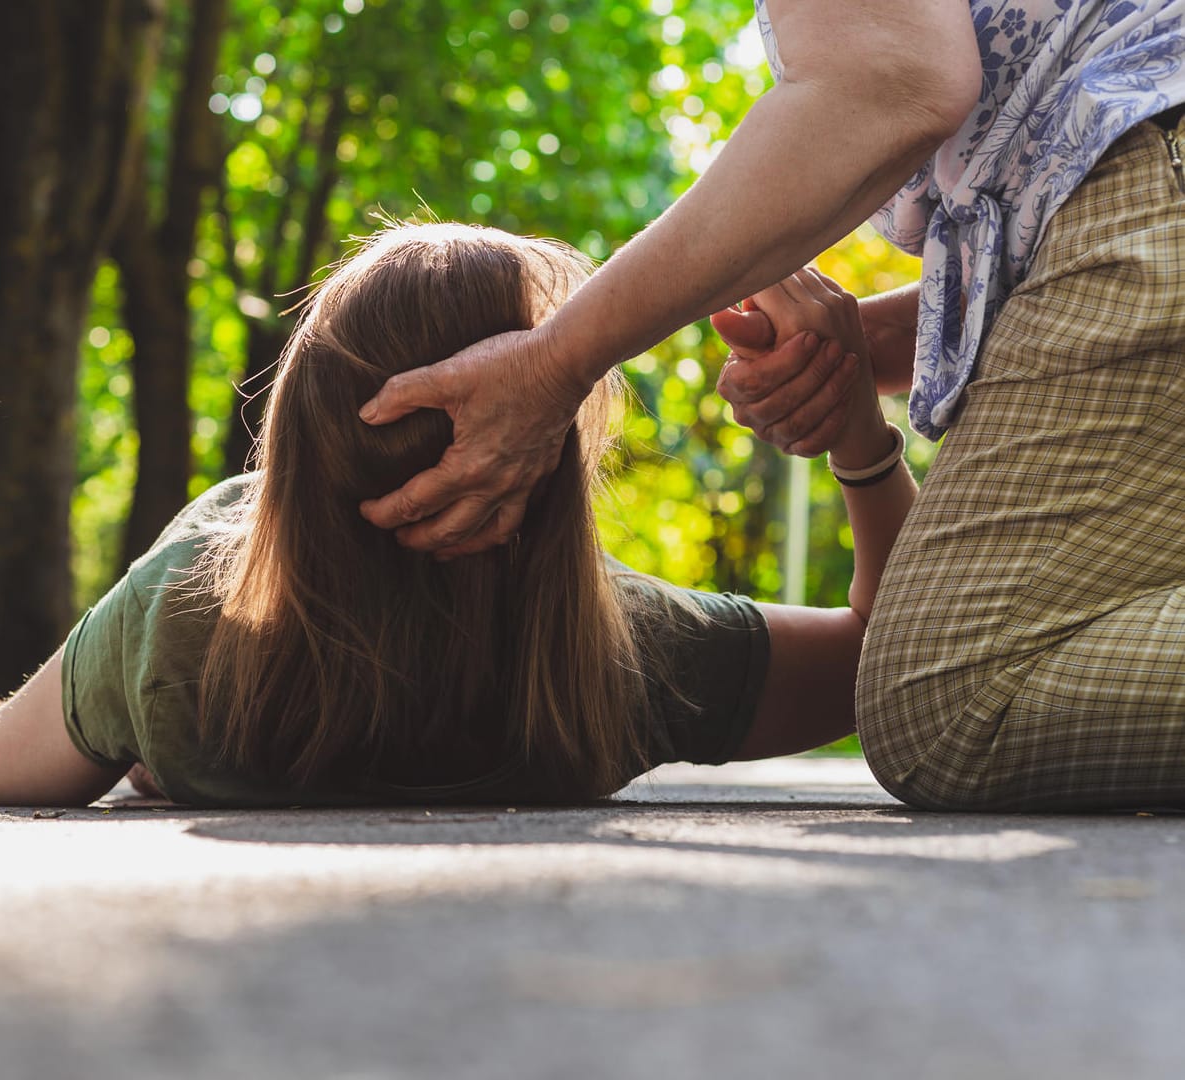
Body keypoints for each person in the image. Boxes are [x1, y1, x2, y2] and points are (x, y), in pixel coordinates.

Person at [354, 1, 1185, 811]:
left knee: (950, 703)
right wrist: (852, 367)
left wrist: (556, 360)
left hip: (1148, 160)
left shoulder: (223, 625)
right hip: (1138, 160)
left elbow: (893, 79)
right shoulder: (635, 655)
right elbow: (896, 79)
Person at [0, 223, 912, 808]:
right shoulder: (627, 654)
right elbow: (893, 660)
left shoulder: (182, 624)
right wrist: (861, 444)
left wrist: (147, 706)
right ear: (546, 460)